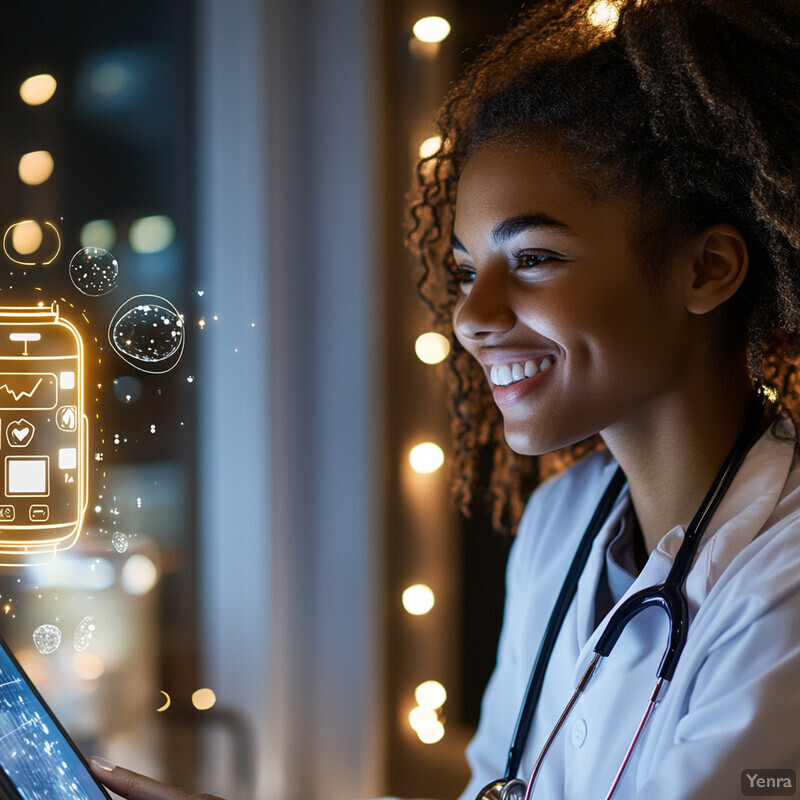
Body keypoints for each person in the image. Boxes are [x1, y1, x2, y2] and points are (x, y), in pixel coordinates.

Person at [91, 0, 800, 797]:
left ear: (706, 270)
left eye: (532, 257)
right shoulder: (561, 523)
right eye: (467, 271)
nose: (471, 317)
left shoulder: (786, 582)